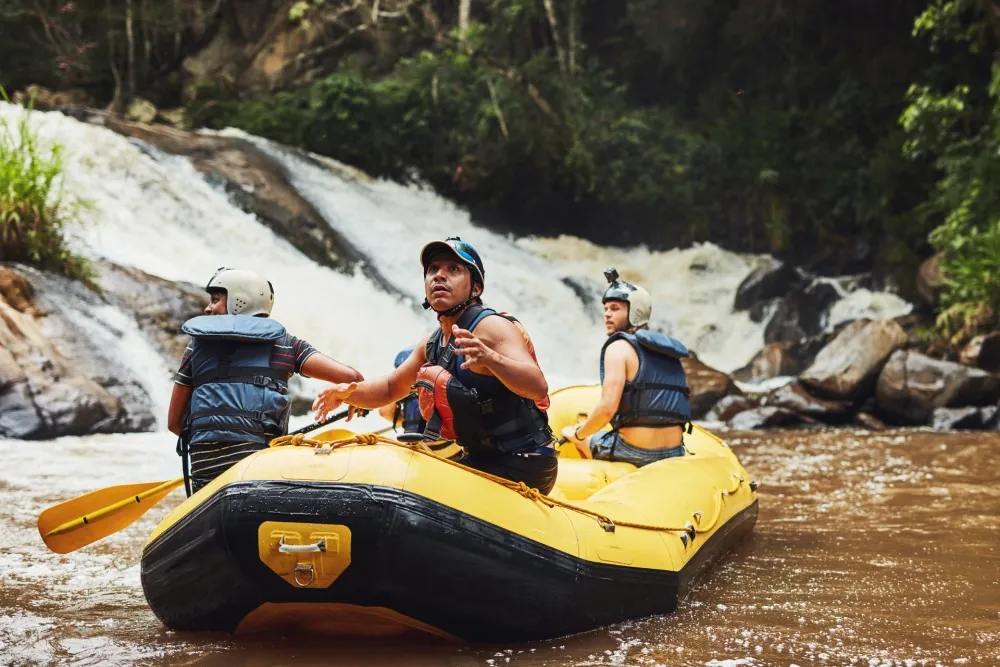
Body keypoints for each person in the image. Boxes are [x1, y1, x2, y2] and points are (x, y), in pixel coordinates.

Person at [313, 237, 558, 493]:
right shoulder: (431, 344)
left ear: (475, 288)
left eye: (453, 269)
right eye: (433, 270)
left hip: (526, 462)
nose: (439, 276)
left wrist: (490, 358)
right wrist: (347, 394)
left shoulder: (492, 327)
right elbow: (389, 389)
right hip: (482, 460)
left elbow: (538, 386)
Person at [167, 267, 363, 495]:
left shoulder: (196, 346)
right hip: (261, 473)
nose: (208, 308)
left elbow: (175, 423)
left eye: (216, 299)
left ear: (240, 300)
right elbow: (352, 378)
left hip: (206, 477)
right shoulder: (286, 345)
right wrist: (352, 399)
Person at [560, 267, 691, 467]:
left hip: (634, 451)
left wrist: (578, 434)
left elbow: (606, 409)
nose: (607, 314)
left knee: (574, 434)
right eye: (605, 309)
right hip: (674, 451)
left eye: (615, 309)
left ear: (635, 312)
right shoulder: (668, 350)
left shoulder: (619, 347)